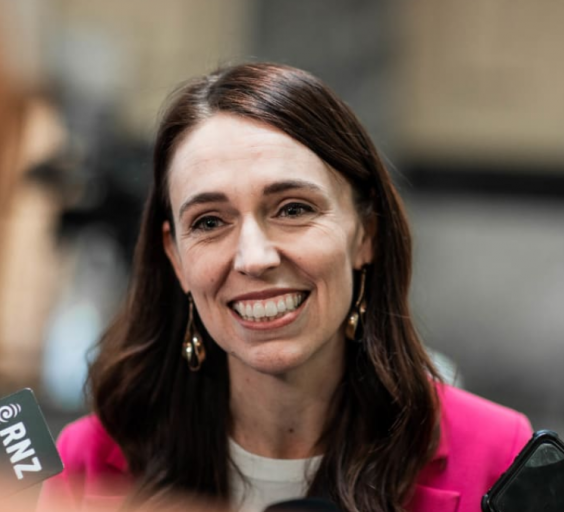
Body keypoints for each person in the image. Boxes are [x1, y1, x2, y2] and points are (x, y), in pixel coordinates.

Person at [37, 62, 531, 512]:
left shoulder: (497, 451)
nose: (254, 258)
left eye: (293, 209)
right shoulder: (89, 461)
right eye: (210, 221)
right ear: (176, 258)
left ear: (367, 234)